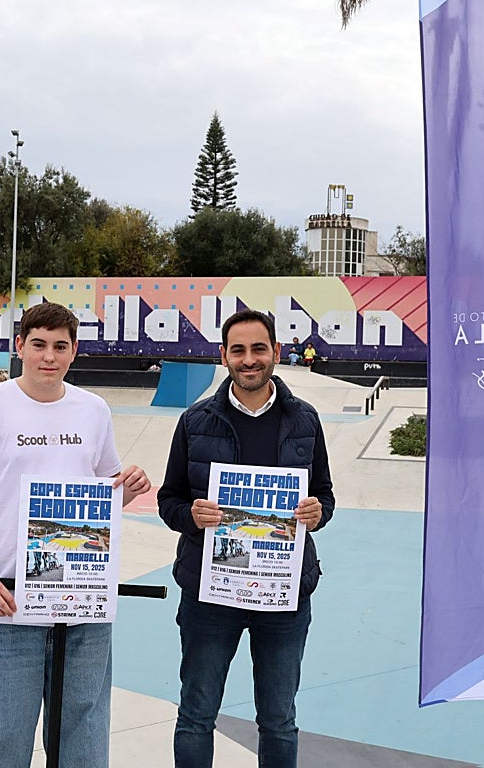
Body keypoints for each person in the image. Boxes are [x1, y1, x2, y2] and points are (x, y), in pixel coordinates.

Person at [0, 301, 152, 768]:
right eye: (38, 344)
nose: (49, 357)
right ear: (20, 346)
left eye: (60, 346)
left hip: (80, 604)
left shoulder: (93, 410)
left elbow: (100, 499)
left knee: (83, 738)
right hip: (6, 604)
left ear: (74, 351)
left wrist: (128, 489)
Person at [157, 309, 335, 767]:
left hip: (283, 593)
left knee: (279, 721)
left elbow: (325, 495)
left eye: (259, 348)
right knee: (196, 716)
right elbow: (169, 499)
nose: (249, 359)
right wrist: (190, 515)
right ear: (224, 356)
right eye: (238, 350)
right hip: (210, 594)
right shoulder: (195, 421)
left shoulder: (305, 419)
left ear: (276, 351)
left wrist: (317, 513)